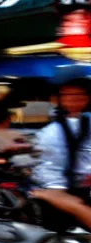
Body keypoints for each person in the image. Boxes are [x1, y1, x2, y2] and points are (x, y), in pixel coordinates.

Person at [31, 78, 91, 231]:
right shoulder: (52, 131)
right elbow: (49, 165)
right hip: (66, 186)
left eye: (79, 95)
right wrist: (56, 190)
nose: (73, 99)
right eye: (67, 95)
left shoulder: (87, 121)